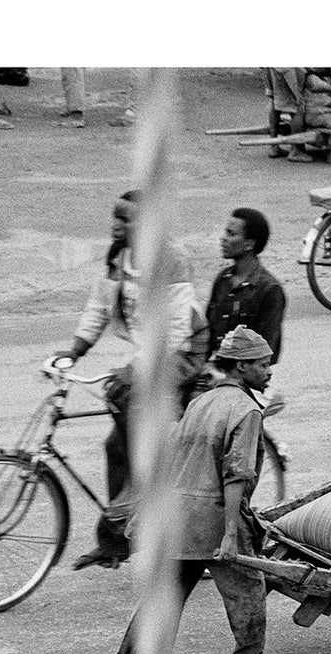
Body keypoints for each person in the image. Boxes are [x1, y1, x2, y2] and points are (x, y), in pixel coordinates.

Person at [104, 326, 279, 654]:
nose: (269, 371)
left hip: (175, 517)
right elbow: (236, 475)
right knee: (247, 592)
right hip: (213, 519)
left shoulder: (202, 403)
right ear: (243, 366)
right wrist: (232, 533)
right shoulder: (246, 410)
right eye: (263, 365)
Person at [53, 189, 210, 570]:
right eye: (116, 217)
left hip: (184, 350)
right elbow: (98, 308)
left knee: (143, 440)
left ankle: (132, 518)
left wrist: (137, 371)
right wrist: (73, 351)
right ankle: (123, 540)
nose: (116, 225)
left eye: (127, 219)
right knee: (116, 446)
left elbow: (175, 331)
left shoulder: (171, 259)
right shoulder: (120, 257)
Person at [206, 208, 286, 364]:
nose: (223, 239)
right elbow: (208, 333)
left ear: (249, 244)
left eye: (231, 234)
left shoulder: (269, 290)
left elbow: (266, 352)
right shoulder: (223, 280)